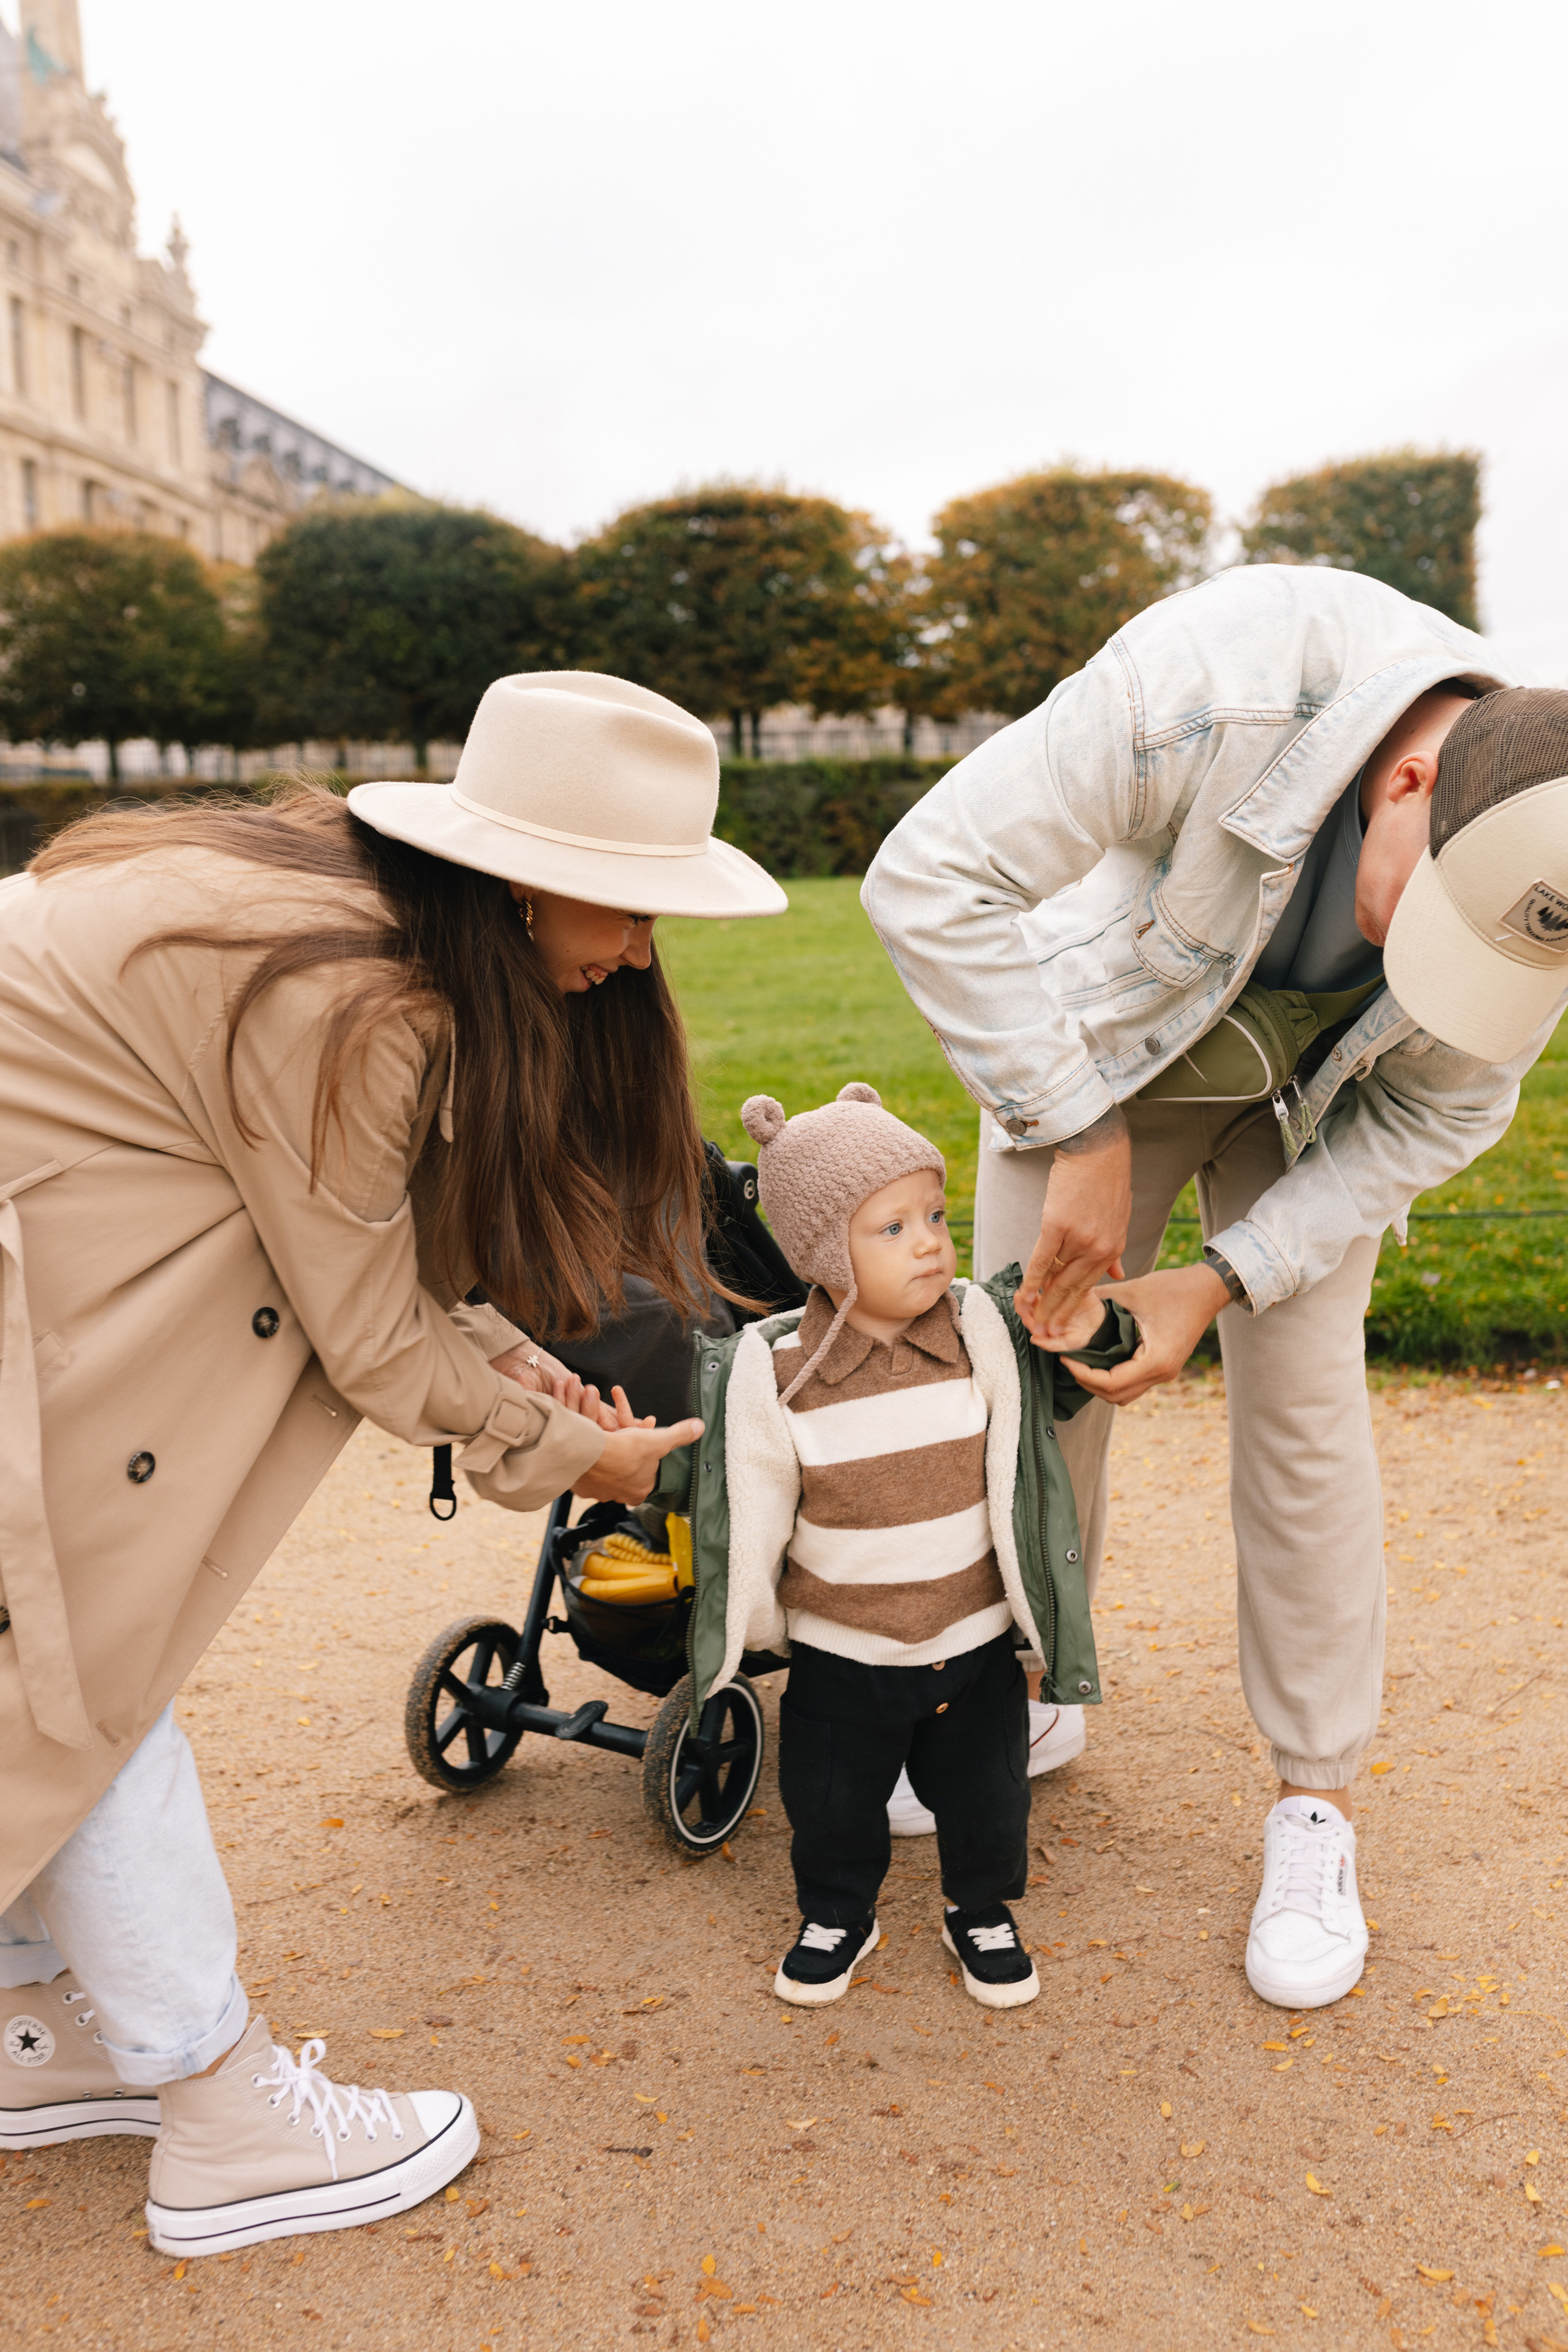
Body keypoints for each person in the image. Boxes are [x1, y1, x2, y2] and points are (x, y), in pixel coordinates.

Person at [0, 670, 785, 2251]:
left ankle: (34, 2023)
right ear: (520, 878)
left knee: (43, 1650)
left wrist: (512, 1364)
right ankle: (223, 2117)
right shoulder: (362, 1005)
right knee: (78, 1659)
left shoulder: (349, 910)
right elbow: (365, 1342)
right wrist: (579, 1452)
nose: (643, 950)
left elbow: (347, 1250)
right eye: (631, 903)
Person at [862, 565, 1568, 2010]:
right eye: (1430, 919)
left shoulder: (1532, 881)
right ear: (1406, 782)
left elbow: (1439, 1111)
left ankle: (1313, 1803)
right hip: (1111, 1047)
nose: (1441, 972)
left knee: (1303, 1410)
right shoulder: (1214, 682)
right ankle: (1027, 1693)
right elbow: (926, 877)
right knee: (1033, 1371)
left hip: (1323, 1105)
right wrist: (1075, 1131)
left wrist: (1223, 1278)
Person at [653, 1083, 1134, 2011]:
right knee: (832, 1802)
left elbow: (1079, 1374)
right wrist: (644, 1463)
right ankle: (838, 1913)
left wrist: (1099, 1330)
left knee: (989, 1797)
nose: (928, 1243)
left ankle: (980, 1909)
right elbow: (725, 1484)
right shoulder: (778, 1376)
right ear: (824, 1253)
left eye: (936, 1216)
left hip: (973, 1643)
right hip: (842, 1651)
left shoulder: (982, 1334)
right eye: (892, 1227)